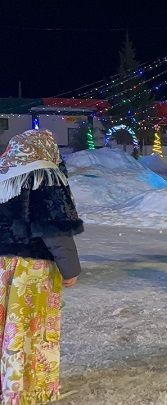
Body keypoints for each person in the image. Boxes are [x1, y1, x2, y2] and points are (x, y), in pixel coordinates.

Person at [0, 129, 84, 403]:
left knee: (4, 327)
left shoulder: (3, 175)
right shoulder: (44, 175)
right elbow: (54, 229)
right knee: (28, 329)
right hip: (31, 271)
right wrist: (70, 269)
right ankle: (25, 387)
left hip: (1, 268)